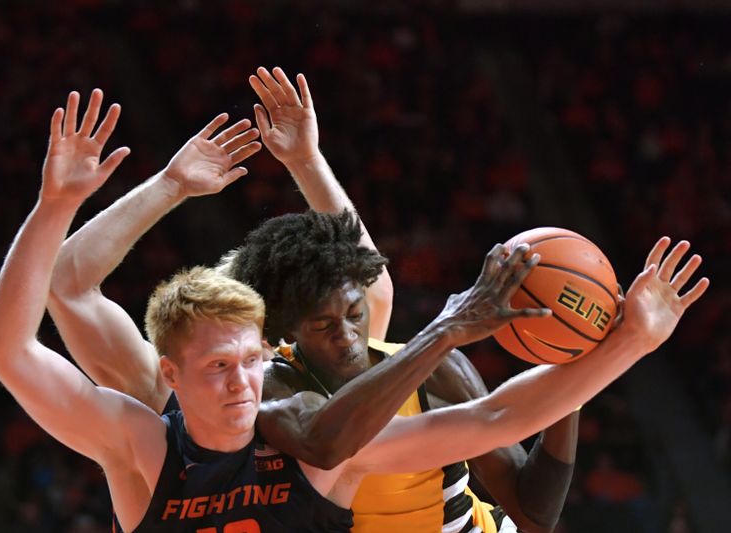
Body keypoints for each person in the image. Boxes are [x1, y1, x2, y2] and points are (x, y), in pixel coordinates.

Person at [0, 90, 709, 533]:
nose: (238, 380)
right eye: (217, 365)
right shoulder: (152, 429)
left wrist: (623, 343)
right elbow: (31, 320)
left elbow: (494, 418)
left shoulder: (319, 441)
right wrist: (87, 198)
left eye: (245, 360)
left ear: (267, 349)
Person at [49, 68, 578, 532]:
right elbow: (66, 287)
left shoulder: (372, 353)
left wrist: (306, 160)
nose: (237, 366)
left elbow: (367, 279)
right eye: (220, 353)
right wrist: (168, 185)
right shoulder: (193, 396)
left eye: (349, 316)